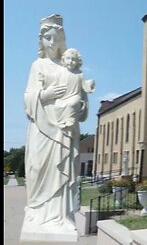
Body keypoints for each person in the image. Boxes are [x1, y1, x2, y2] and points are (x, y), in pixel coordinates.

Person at [23, 14, 90, 235]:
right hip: (42, 128)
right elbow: (27, 97)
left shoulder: (69, 67)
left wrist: (81, 106)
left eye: (56, 38)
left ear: (63, 40)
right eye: (47, 38)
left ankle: (62, 217)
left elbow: (81, 97)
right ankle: (38, 213)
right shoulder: (37, 65)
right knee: (38, 169)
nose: (52, 43)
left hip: (64, 129)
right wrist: (45, 94)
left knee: (63, 172)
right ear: (41, 40)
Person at [39, 48, 95, 129]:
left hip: (74, 95)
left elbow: (84, 85)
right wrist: (44, 77)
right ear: (63, 60)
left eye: (73, 59)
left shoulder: (79, 74)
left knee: (72, 104)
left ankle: (70, 120)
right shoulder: (61, 72)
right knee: (57, 106)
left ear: (78, 62)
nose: (70, 61)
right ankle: (61, 122)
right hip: (63, 97)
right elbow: (52, 78)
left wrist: (90, 85)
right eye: (68, 58)